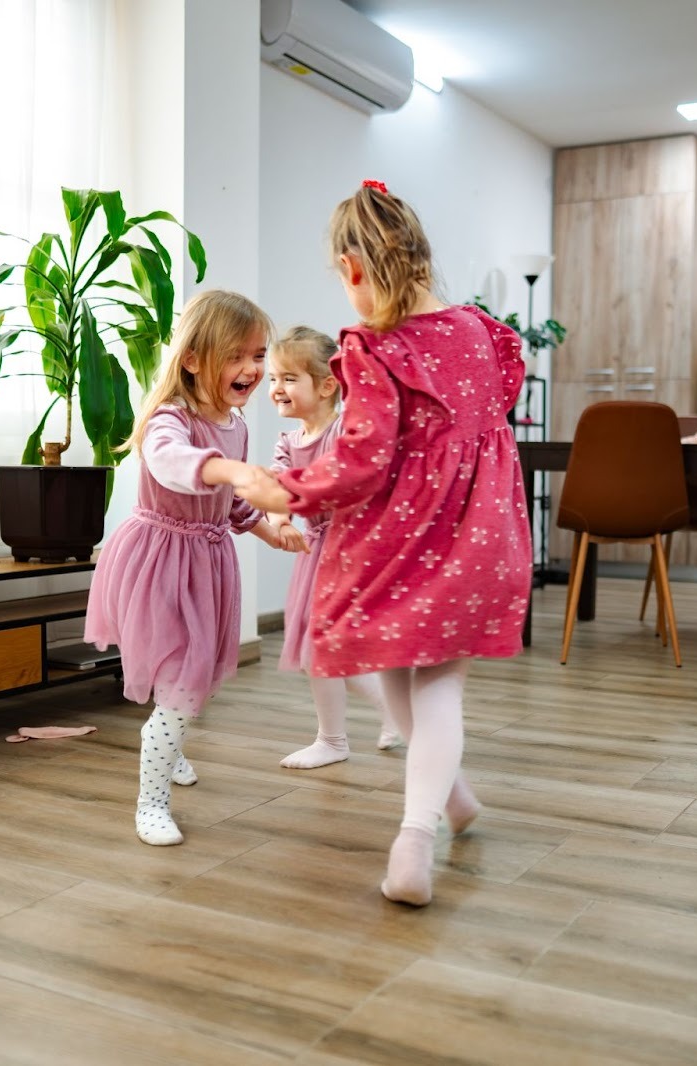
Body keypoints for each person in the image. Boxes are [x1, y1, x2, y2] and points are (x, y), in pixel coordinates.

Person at [235, 180, 532, 905]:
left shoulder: (373, 347)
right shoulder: (484, 333)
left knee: (417, 679)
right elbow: (493, 415)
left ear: (355, 269)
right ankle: (450, 797)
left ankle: (414, 840)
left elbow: (362, 459)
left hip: (402, 537)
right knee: (425, 677)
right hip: (479, 529)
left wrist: (285, 491)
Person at [85, 289, 305, 847]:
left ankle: (171, 743)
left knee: (194, 673)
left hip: (206, 566)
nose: (253, 369)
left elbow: (230, 505)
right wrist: (230, 470)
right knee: (180, 681)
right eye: (239, 355)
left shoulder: (234, 424)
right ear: (192, 358)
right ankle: (150, 803)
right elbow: (171, 463)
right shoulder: (169, 419)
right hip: (158, 563)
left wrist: (266, 527)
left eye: (259, 355)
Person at [264, 325, 401, 768]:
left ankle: (338, 738)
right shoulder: (288, 441)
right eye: (272, 379)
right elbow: (276, 488)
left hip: (350, 549)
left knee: (324, 647)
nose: (276, 388)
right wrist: (280, 520)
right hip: (318, 550)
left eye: (288, 378)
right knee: (315, 647)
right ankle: (367, 725)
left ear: (326, 386)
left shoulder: (344, 432)